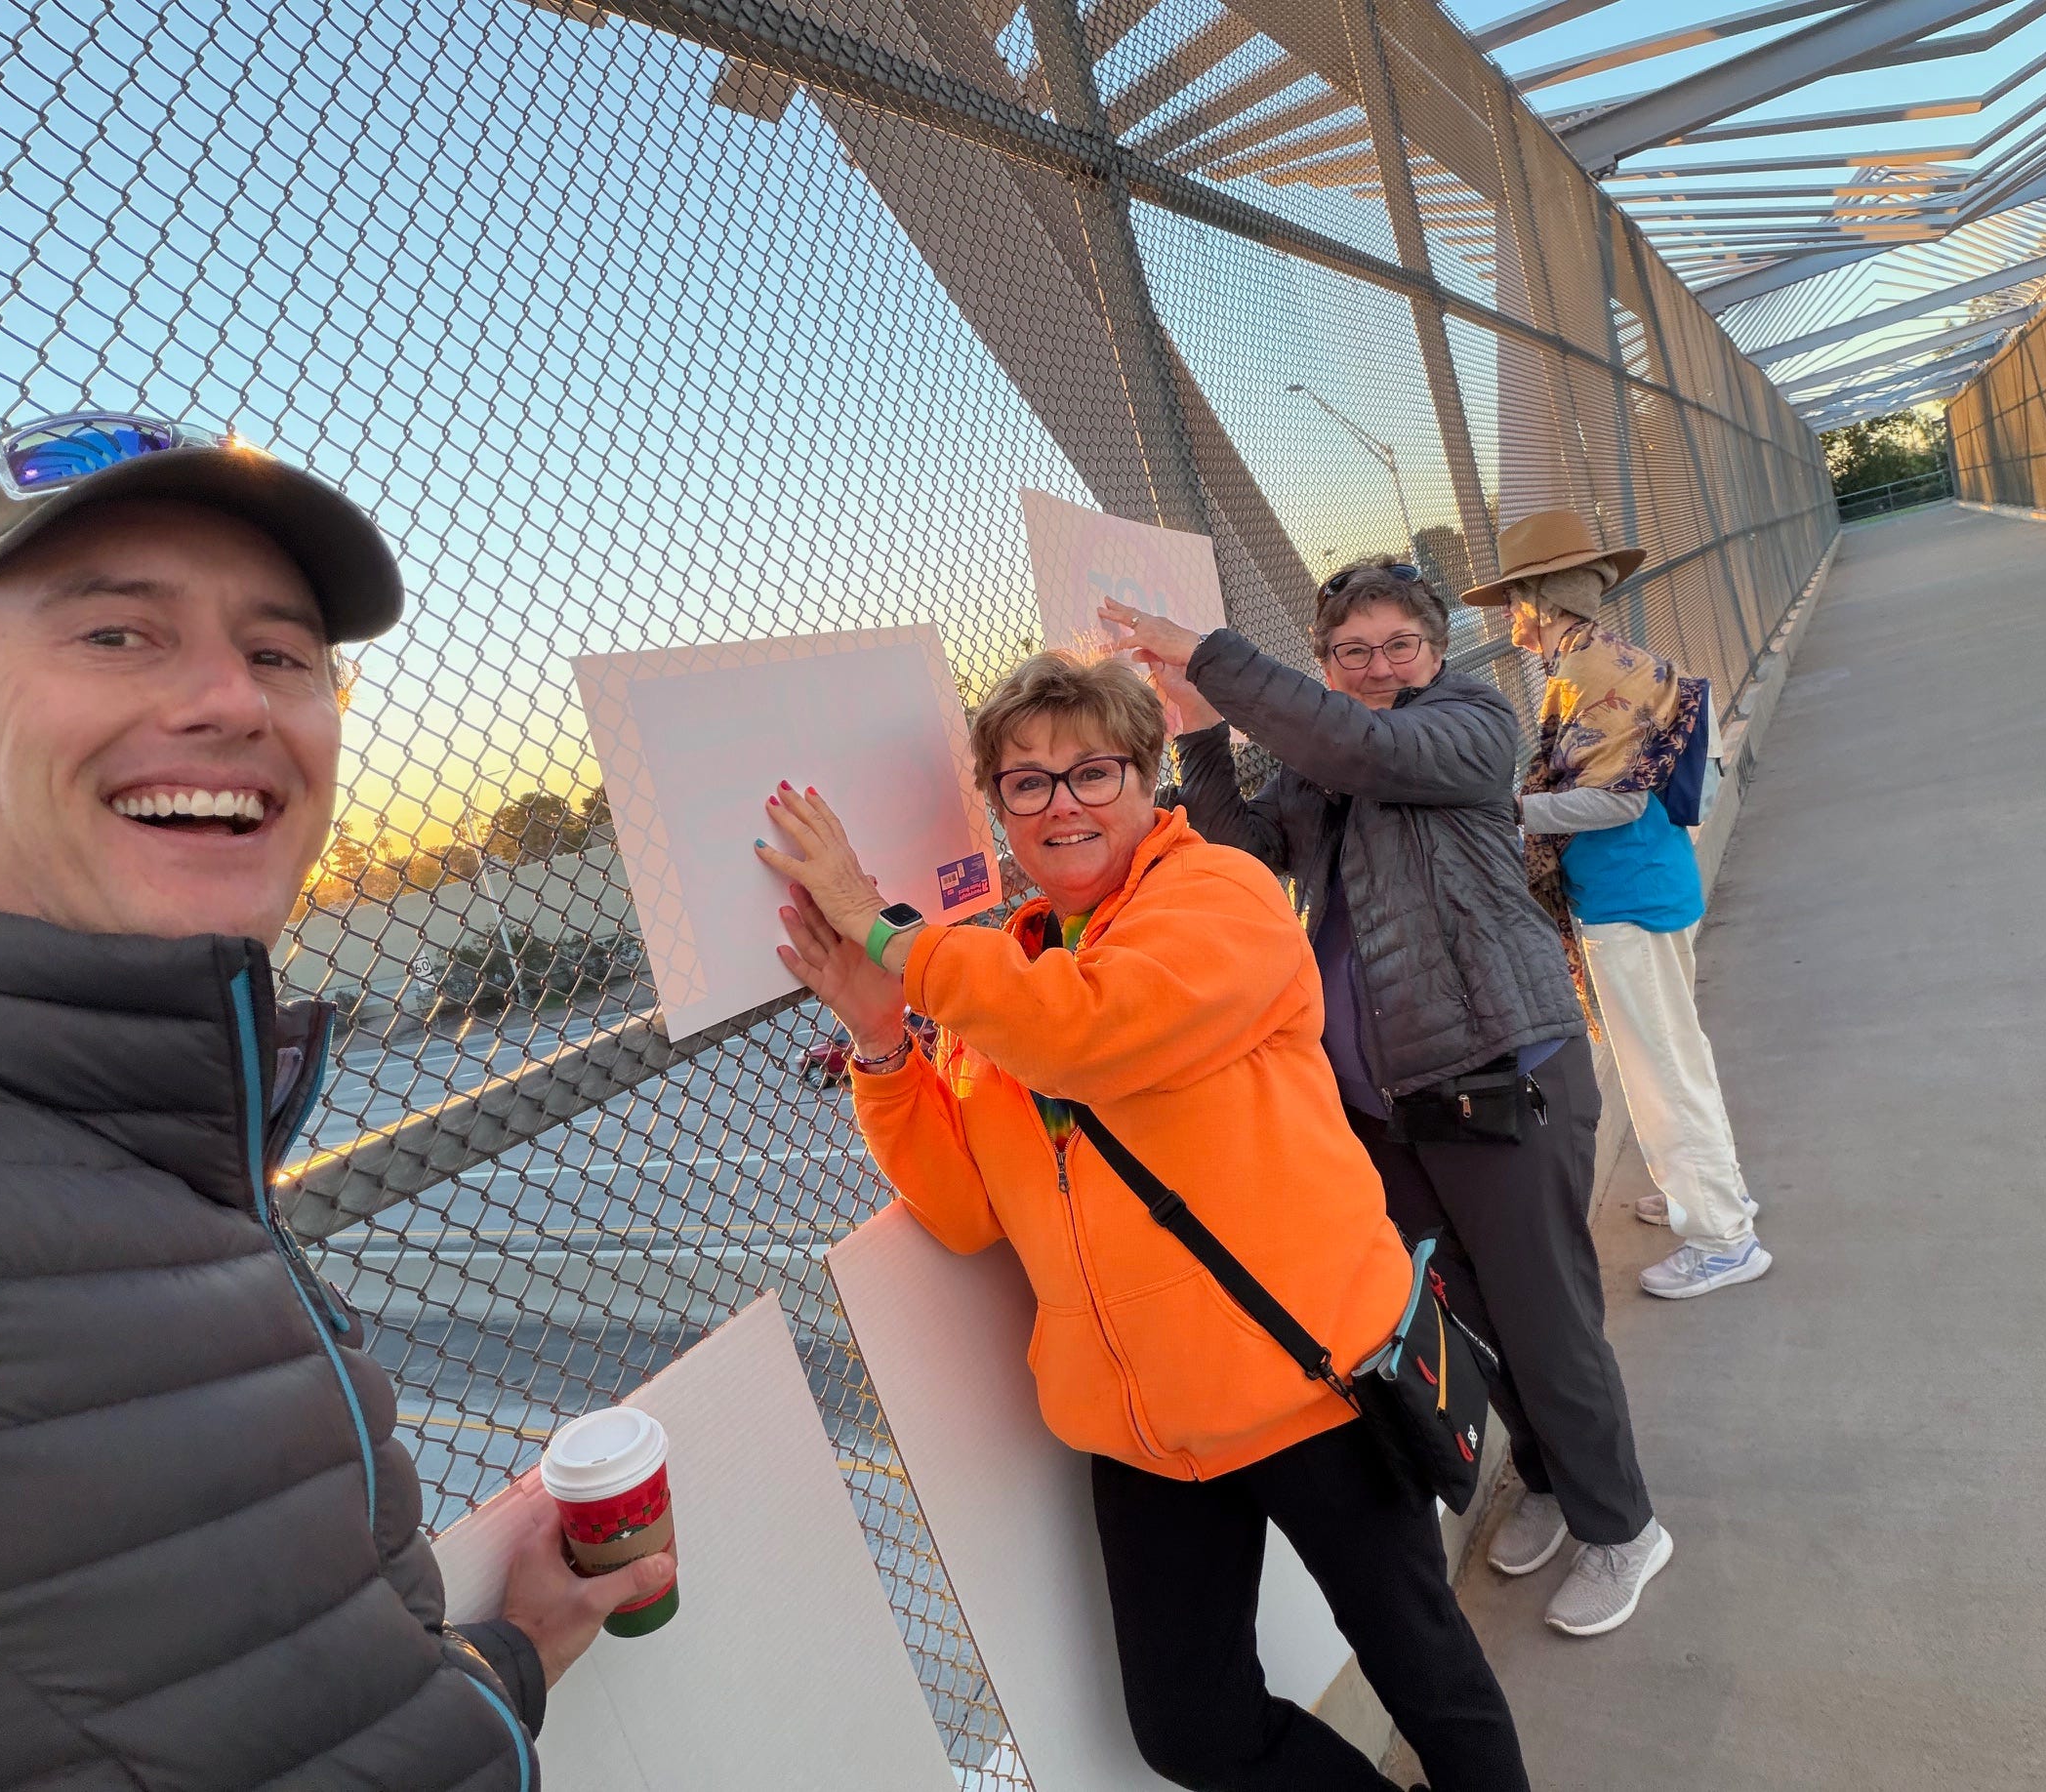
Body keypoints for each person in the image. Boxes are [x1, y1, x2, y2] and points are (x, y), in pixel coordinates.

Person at [0, 413, 673, 1789]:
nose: (233, 701)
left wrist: (498, 1670)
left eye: (279, 655)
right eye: (116, 634)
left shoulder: (164, 1143)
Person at [754, 652, 1529, 1791]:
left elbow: (1090, 1033)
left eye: (1093, 772)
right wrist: (881, 1045)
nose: (1061, 804)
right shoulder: (1007, 972)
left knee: (1426, 1672)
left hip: (1311, 1380)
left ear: (1146, 776)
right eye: (1027, 782)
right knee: (1189, 1728)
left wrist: (883, 928)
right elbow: (966, 1211)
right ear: (999, 808)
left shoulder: (1216, 897)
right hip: (1142, 1427)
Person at [1105, 564, 1671, 1640]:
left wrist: (1211, 658)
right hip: (1392, 1105)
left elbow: (1370, 750)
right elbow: (1244, 851)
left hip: (1501, 1073)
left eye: (1397, 646)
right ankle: (1551, 1479)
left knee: (1547, 1318)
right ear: (1325, 664)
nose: (1375, 669)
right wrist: (1200, 731)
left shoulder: (1468, 723)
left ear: (1436, 651)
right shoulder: (1317, 764)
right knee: (1472, 1318)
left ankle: (1623, 1528)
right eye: (1351, 652)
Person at [1472, 509, 1771, 1302]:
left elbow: (1619, 802)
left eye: (1511, 600)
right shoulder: (1609, 659)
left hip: (1626, 894)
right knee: (1677, 1052)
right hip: (1648, 882)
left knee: (1660, 1068)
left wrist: (1511, 813)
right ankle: (1711, 1193)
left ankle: (1723, 1240)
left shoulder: (1587, 674)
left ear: (1538, 599)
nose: (1507, 618)